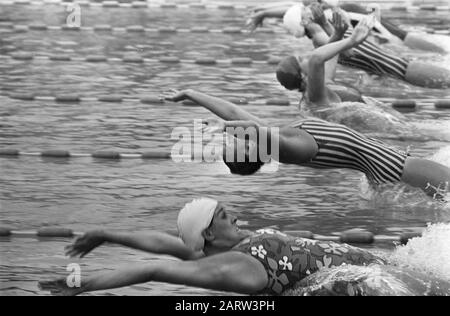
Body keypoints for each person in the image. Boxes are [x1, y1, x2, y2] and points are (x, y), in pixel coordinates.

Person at [161, 18, 450, 200]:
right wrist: (223, 128)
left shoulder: (284, 135)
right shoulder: (288, 147)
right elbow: (247, 127)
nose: (238, 138)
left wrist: (191, 93)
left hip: (391, 168)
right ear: (254, 152)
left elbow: (237, 115)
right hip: (396, 167)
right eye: (239, 144)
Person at [38, 198, 450, 296]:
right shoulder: (232, 267)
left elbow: (164, 243)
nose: (232, 215)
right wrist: (82, 286)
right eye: (222, 215)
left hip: (377, 266)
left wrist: (106, 234)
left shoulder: (207, 250)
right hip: (367, 287)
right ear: (210, 235)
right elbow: (150, 269)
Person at [248, 1, 450, 89]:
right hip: (405, 69)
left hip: (402, 68)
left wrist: (263, 12)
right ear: (304, 22)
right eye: (306, 13)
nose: (310, 9)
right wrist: (329, 26)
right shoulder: (320, 41)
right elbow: (349, 51)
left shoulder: (321, 33)